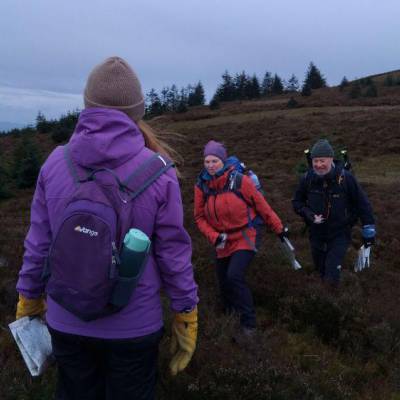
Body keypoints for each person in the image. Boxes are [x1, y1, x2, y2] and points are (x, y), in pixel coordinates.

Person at [15, 56, 198, 400]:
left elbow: (38, 243)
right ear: (137, 111)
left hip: (65, 322)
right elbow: (173, 252)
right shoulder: (160, 172)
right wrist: (185, 311)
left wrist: (28, 298)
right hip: (134, 328)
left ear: (87, 105)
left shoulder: (55, 163)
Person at [194, 140, 285, 336]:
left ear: (223, 161)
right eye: (207, 161)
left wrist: (278, 228)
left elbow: (262, 206)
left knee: (234, 275)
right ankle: (229, 318)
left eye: (215, 161)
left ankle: (249, 324)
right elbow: (199, 217)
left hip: (246, 234)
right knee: (223, 281)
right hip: (221, 239)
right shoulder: (201, 185)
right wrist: (214, 236)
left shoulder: (240, 181)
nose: (210, 165)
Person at [292, 139, 376, 287]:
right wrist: (309, 215)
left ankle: (333, 298)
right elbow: (297, 203)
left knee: (331, 274)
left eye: (322, 160)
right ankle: (324, 299)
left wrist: (368, 228)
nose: (318, 165)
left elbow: (362, 203)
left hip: (340, 233)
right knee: (321, 270)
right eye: (315, 161)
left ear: (331, 159)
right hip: (316, 233)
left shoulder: (346, 178)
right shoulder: (307, 179)